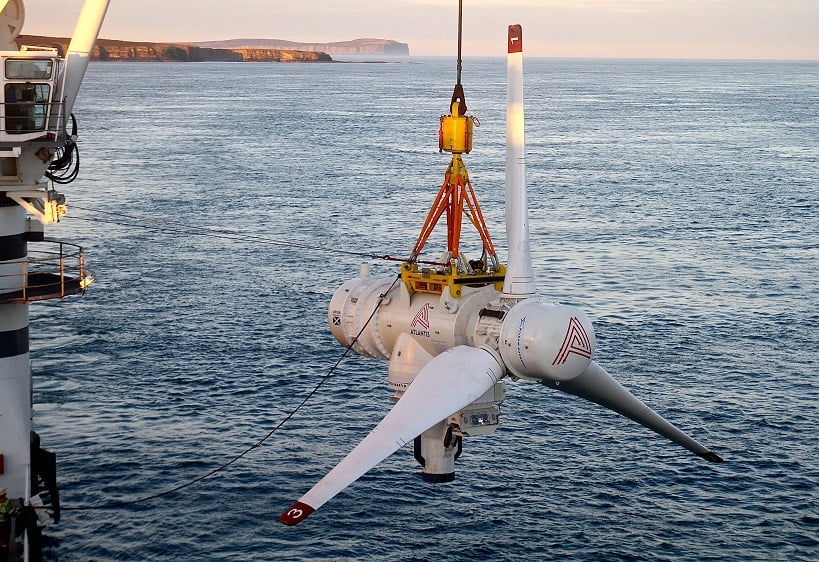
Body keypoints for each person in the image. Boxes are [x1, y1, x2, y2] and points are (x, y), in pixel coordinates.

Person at [0, 487, 15, 560]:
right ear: (5, 494)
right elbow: (11, 512)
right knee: (5, 540)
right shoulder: (6, 502)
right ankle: (4, 556)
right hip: (5, 524)